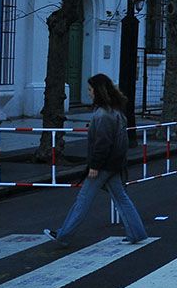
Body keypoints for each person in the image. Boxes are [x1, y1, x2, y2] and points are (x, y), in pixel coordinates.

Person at [45, 74, 147, 246]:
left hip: (103, 166)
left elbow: (102, 144)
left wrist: (94, 166)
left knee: (83, 200)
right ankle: (137, 233)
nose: (89, 93)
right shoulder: (116, 112)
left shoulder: (102, 115)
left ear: (99, 92)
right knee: (121, 199)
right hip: (114, 164)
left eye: (91, 90)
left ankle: (64, 235)